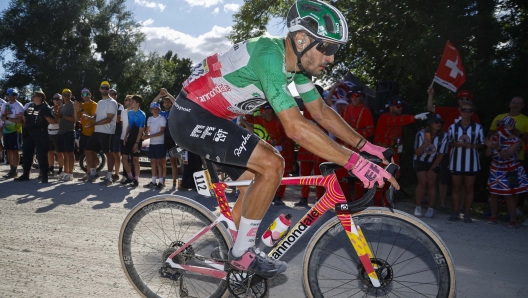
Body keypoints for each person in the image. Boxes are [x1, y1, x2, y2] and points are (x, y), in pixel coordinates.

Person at [167, 0, 398, 278]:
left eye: (335, 50)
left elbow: (320, 111)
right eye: (327, 47)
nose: (331, 58)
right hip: (191, 115)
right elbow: (295, 128)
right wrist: (357, 164)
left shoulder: (296, 65)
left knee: (256, 181)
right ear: (301, 39)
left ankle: (229, 245)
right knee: (272, 163)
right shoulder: (269, 54)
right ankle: (242, 254)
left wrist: (368, 147)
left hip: (217, 118)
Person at [427, 87, 481, 211]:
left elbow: (478, 136)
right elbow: (430, 108)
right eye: (462, 98)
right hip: (447, 151)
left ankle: (461, 207)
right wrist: (430, 95)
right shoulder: (449, 111)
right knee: (444, 178)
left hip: (466, 154)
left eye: (467, 99)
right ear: (458, 100)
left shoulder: (474, 116)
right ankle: (442, 204)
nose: (464, 101)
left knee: (462, 182)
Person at [373, 95, 429, 206]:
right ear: (390, 107)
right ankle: (377, 204)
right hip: (381, 152)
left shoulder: (398, 119)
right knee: (380, 178)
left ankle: (388, 203)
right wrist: (415, 117)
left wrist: (400, 144)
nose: (400, 108)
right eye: (398, 106)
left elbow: (398, 133)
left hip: (392, 151)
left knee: (393, 176)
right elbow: (397, 121)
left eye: (401, 106)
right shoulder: (385, 117)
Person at [488, 96, 528, 219]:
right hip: (498, 161)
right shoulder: (499, 117)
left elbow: (526, 140)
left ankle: (512, 214)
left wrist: (516, 132)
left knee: (514, 188)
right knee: (495, 189)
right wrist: (500, 133)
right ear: (509, 104)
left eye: (519, 103)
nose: (516, 105)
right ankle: (494, 213)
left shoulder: (525, 120)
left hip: (516, 160)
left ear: (522, 106)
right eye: (514, 103)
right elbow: (489, 134)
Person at [447, 101, 484, 222]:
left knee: (469, 188)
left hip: (472, 162)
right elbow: (448, 142)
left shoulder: (478, 127)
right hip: (455, 161)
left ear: (473, 112)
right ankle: (456, 212)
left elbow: (481, 144)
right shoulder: (453, 127)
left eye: (469, 110)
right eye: (464, 110)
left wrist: (472, 146)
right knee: (456, 187)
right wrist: (456, 144)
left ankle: (467, 213)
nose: (466, 112)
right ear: (460, 110)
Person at [339, 86, 375, 201]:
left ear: (361, 97)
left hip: (359, 149)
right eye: (353, 96)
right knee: (341, 174)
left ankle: (358, 201)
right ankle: (346, 200)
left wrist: (354, 134)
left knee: (359, 175)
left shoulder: (365, 110)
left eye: (357, 96)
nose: (355, 98)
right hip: (344, 148)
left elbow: (370, 130)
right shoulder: (345, 109)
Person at [14, 91, 55, 182]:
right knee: (27, 153)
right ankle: (26, 174)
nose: (33, 97)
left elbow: (53, 121)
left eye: (35, 96)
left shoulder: (46, 107)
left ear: (40, 98)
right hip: (29, 133)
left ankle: (44, 175)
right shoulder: (30, 106)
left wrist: (44, 114)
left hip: (41, 133)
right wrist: (25, 118)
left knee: (41, 155)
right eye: (33, 96)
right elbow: (24, 119)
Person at [83, 81, 118, 185]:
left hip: (107, 132)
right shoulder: (99, 102)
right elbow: (96, 117)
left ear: (109, 89)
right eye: (103, 88)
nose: (104, 89)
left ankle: (109, 177)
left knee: (109, 154)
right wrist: (88, 118)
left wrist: (93, 124)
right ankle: (93, 174)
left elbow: (108, 119)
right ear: (100, 89)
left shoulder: (112, 102)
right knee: (88, 150)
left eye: (106, 88)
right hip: (97, 131)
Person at [413, 114, 448, 218]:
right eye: (436, 122)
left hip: (434, 161)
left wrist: (433, 168)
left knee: (432, 183)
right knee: (423, 182)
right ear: (430, 123)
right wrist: (424, 144)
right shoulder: (421, 134)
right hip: (420, 160)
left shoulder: (444, 136)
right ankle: (418, 207)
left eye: (441, 122)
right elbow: (417, 153)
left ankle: (431, 208)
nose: (439, 124)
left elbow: (441, 154)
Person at [151, 88, 179, 187]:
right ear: (163, 104)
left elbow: (176, 103)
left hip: (171, 139)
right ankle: (162, 181)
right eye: (165, 102)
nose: (167, 103)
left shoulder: (174, 112)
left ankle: (174, 182)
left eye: (168, 102)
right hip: (162, 139)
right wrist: (160, 95)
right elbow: (153, 104)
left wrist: (168, 94)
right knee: (162, 161)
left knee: (173, 162)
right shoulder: (160, 113)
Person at [120, 95, 145, 187]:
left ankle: (136, 179)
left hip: (137, 139)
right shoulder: (130, 113)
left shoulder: (142, 115)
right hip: (129, 138)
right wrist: (126, 136)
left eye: (133, 102)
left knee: (135, 160)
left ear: (137, 104)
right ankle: (130, 177)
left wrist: (137, 143)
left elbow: (141, 131)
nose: (131, 103)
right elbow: (129, 126)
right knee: (124, 159)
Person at [142, 102, 166, 189]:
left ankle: (161, 182)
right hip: (152, 143)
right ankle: (153, 182)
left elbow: (161, 132)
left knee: (159, 163)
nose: (155, 110)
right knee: (152, 162)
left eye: (156, 108)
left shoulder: (162, 118)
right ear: (151, 110)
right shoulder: (149, 118)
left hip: (159, 143)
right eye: (153, 108)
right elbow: (147, 130)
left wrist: (149, 136)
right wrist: (144, 135)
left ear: (159, 110)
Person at [55, 88, 77, 181]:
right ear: (62, 96)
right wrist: (56, 113)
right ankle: (66, 172)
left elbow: (74, 119)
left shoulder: (72, 105)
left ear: (71, 96)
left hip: (69, 131)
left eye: (68, 95)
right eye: (65, 95)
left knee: (70, 153)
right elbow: (58, 120)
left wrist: (61, 116)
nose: (66, 96)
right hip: (61, 131)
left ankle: (71, 174)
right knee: (64, 153)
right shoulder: (63, 106)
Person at [1, 88, 24, 178]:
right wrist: (5, 115)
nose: (11, 96)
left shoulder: (18, 105)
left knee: (15, 151)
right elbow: (2, 118)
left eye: (13, 94)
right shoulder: (5, 105)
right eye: (9, 94)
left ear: (16, 95)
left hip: (16, 130)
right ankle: (11, 170)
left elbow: (19, 120)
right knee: (8, 150)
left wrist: (7, 118)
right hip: (6, 130)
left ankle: (15, 170)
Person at [77, 88, 98, 181]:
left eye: (87, 94)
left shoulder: (95, 104)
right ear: (81, 96)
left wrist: (81, 109)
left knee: (92, 154)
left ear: (91, 95)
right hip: (84, 132)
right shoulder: (81, 105)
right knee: (86, 153)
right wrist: (75, 108)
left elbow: (93, 117)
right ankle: (89, 173)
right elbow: (77, 117)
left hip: (93, 132)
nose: (86, 96)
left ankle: (93, 173)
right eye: (84, 95)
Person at [47, 94, 64, 176]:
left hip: (58, 132)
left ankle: (61, 169)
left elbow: (59, 121)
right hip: (49, 131)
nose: (56, 100)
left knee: (59, 152)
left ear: (61, 100)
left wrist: (55, 117)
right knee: (50, 151)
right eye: (54, 99)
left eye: (58, 99)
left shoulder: (63, 108)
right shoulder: (50, 108)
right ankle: (51, 168)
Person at [109, 88, 123, 182]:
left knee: (116, 154)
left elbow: (118, 120)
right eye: (111, 94)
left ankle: (116, 174)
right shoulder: (105, 104)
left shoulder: (120, 106)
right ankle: (109, 173)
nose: (113, 96)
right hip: (108, 132)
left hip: (117, 132)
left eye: (114, 94)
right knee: (109, 154)